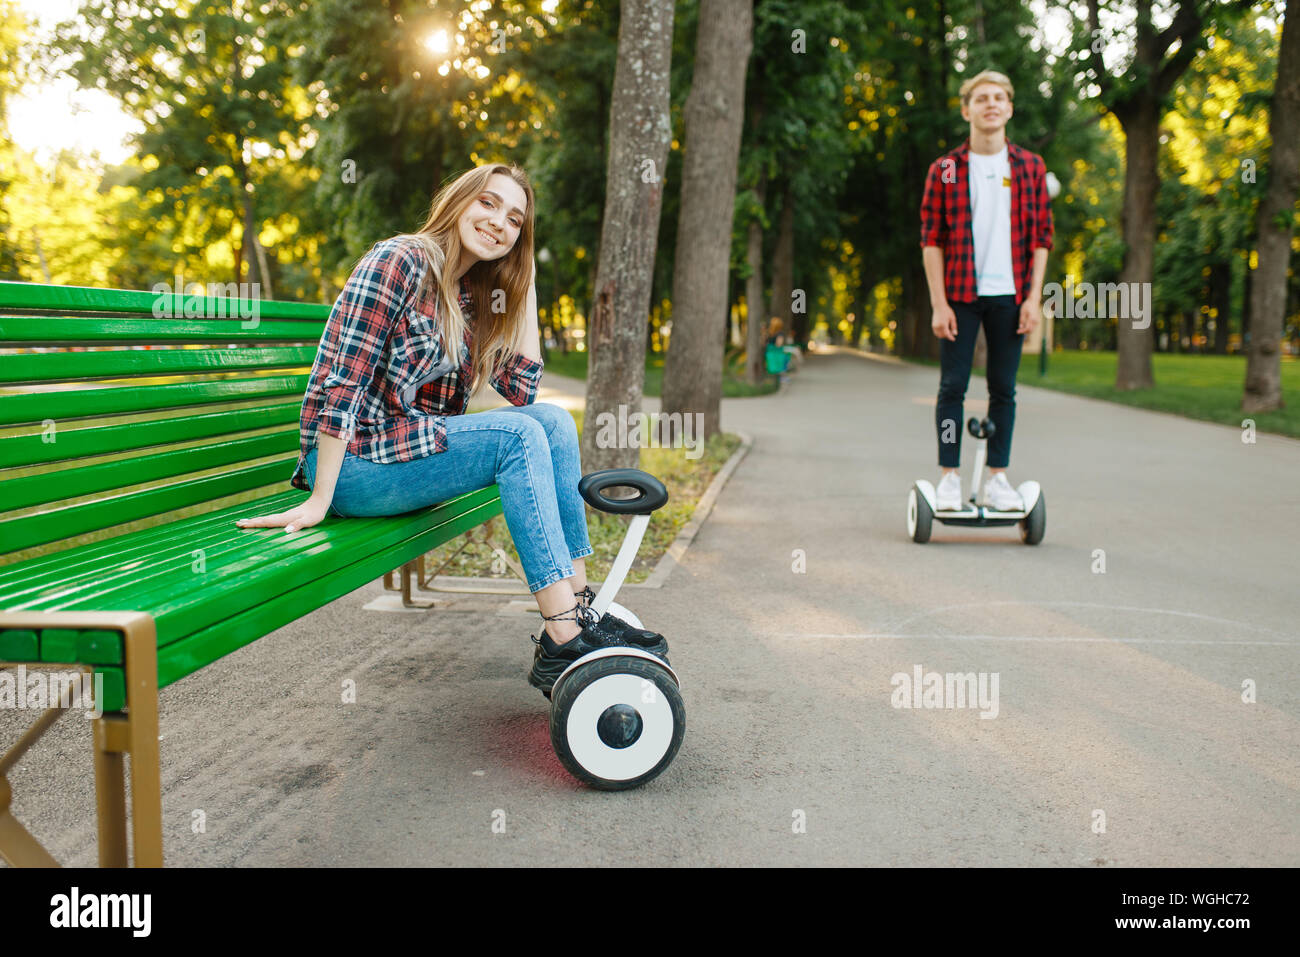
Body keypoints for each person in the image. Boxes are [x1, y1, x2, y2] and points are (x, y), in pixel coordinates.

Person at [234, 163, 667, 697]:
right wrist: (321, 496)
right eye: (488, 203)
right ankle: (562, 634)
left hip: (405, 452)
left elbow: (523, 392)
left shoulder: (470, 294)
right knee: (516, 437)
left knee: (551, 421)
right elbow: (340, 382)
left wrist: (525, 281)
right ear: (459, 199)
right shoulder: (398, 260)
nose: (499, 223)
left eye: (514, 220)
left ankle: (582, 608)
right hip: (355, 465)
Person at [919, 69, 1053, 511]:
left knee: (1003, 389)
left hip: (1011, 298)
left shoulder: (1030, 167)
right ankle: (949, 479)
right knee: (952, 388)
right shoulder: (946, 170)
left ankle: (998, 478)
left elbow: (1041, 239)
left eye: (999, 98)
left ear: (1010, 108)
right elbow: (931, 239)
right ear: (967, 109)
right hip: (959, 294)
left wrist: (1033, 299)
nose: (991, 104)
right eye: (981, 98)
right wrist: (939, 303)